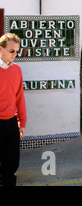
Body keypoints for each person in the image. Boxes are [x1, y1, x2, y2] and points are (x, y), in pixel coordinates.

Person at [0, 33, 27, 186]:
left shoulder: (16, 70)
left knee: (11, 166)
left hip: (11, 124)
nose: (15, 55)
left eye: (17, 51)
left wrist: (22, 123)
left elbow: (19, 98)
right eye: (12, 51)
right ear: (0, 50)